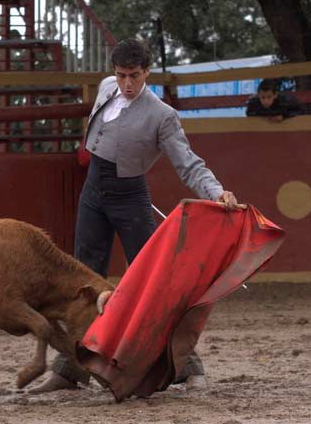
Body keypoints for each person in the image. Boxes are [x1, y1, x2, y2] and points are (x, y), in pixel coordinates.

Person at [30, 39, 241, 395]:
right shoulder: (106, 88)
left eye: (134, 76)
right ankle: (69, 371)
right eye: (121, 75)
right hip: (94, 193)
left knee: (155, 282)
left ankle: (187, 366)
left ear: (147, 73)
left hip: (130, 198)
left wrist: (216, 192)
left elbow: (188, 164)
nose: (127, 83)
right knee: (82, 278)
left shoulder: (162, 115)